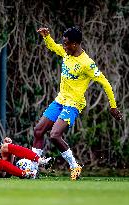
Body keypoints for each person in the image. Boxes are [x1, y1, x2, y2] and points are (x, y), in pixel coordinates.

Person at [32, 27, 123, 180]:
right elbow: (53, 46)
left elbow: (105, 83)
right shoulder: (66, 53)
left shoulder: (87, 63)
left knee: (55, 135)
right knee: (38, 131)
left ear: (75, 44)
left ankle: (74, 166)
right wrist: (47, 37)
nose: (64, 47)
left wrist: (113, 106)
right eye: (64, 43)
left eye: (66, 44)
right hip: (60, 100)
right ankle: (33, 170)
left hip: (73, 103)